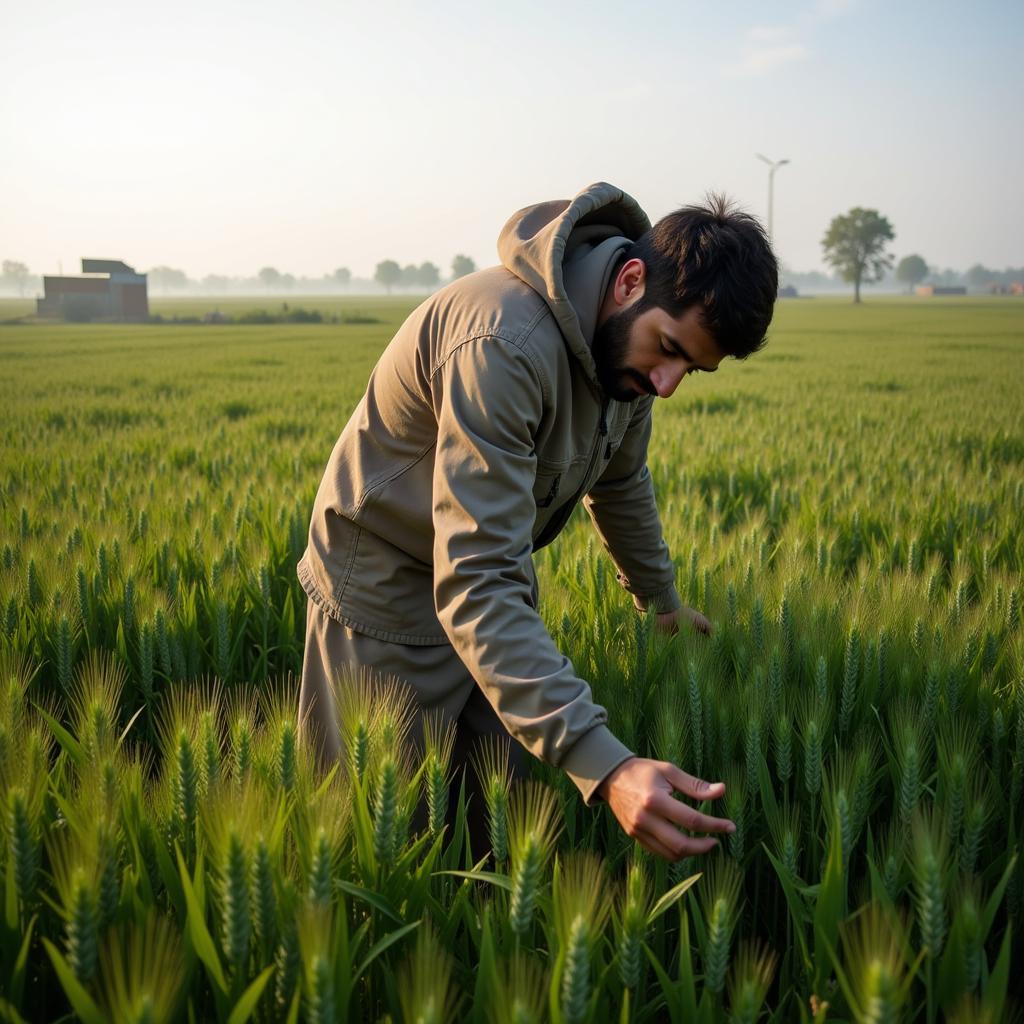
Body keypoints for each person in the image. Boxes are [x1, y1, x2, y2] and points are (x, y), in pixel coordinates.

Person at [298, 181, 777, 861]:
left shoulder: (627, 360)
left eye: (690, 370)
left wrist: (659, 599)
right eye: (669, 348)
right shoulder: (504, 343)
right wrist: (607, 765)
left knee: (495, 830)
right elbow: (478, 582)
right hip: (385, 585)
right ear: (631, 280)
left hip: (486, 581)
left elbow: (620, 480)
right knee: (380, 844)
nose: (668, 383)